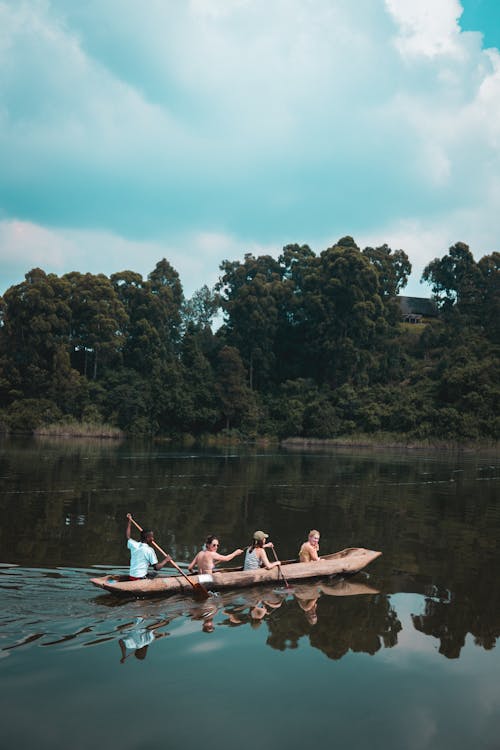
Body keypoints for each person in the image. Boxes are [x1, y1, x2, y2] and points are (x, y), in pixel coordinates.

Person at [126, 513, 171, 580]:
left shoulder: (134, 544)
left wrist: (129, 521)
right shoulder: (149, 550)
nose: (153, 539)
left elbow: (128, 536)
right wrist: (166, 560)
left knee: (153, 574)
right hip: (140, 579)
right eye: (151, 537)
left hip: (131, 577)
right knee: (156, 574)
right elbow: (156, 568)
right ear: (147, 538)